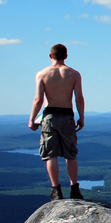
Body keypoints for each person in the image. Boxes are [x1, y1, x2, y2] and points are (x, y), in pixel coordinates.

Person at [28, 44, 85, 201]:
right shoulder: (74, 74)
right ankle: (74, 188)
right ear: (66, 56)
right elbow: (79, 98)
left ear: (50, 56)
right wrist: (81, 117)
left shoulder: (42, 74)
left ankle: (56, 190)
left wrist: (32, 119)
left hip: (49, 117)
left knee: (51, 155)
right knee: (70, 155)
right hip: (67, 117)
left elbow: (38, 99)